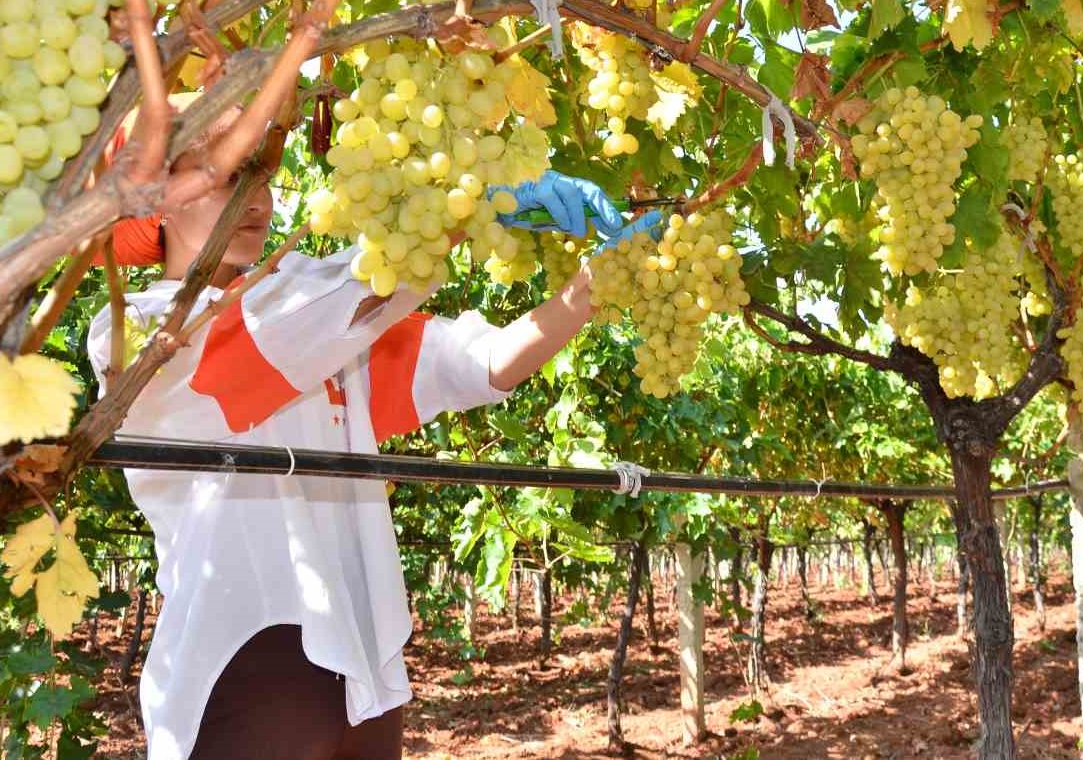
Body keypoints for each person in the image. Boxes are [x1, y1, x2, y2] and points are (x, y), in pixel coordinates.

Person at [86, 112, 659, 760]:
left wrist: (591, 285)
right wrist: (469, 210)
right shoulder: (134, 333)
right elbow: (284, 330)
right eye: (220, 175)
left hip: (364, 673)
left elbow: (483, 361)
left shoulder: (329, 327)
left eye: (260, 173)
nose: (253, 196)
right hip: (240, 667)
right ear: (152, 201)